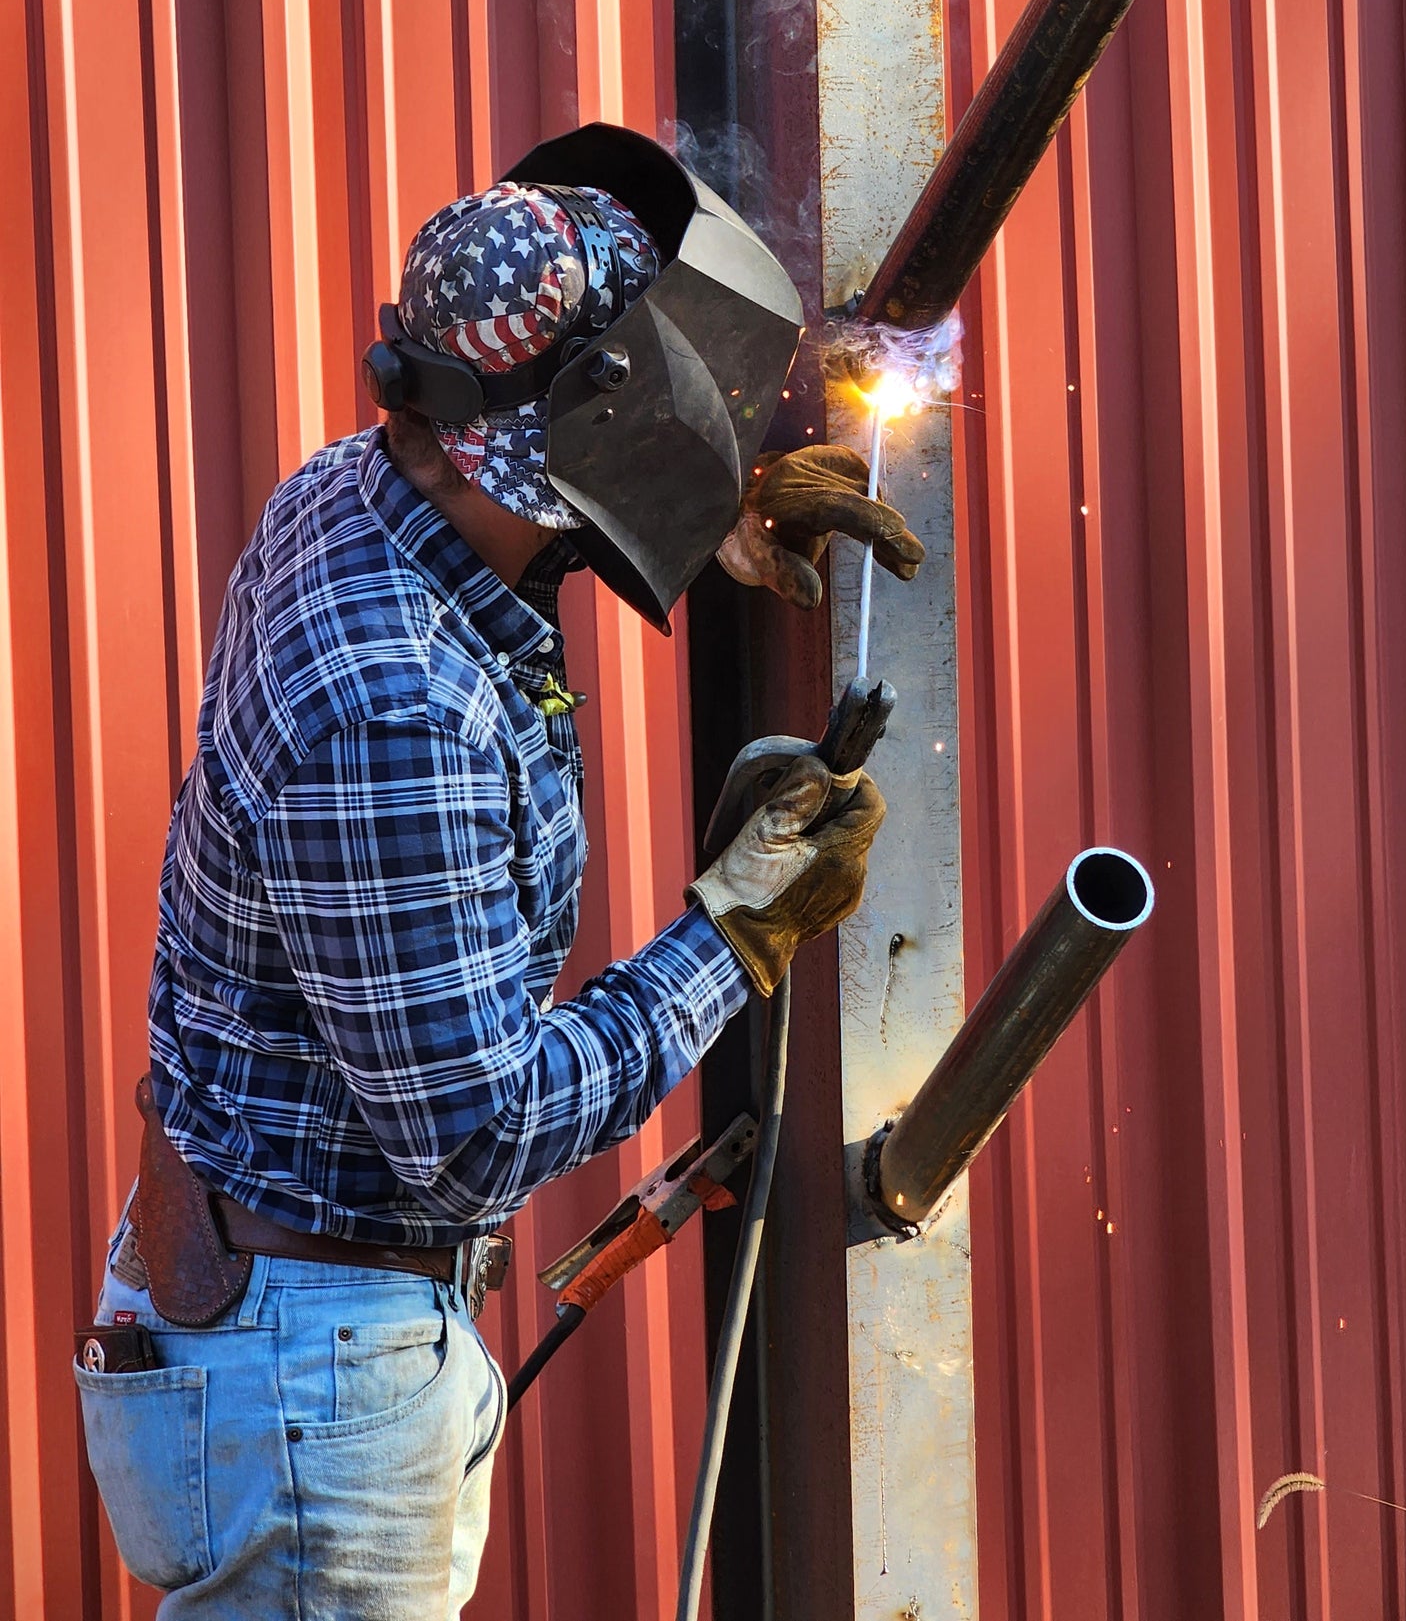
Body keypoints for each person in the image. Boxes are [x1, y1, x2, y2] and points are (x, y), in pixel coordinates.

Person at [75, 124, 923, 1617]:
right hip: (309, 1391)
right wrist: (735, 933)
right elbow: (475, 1138)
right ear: (580, 422)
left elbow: (521, 488)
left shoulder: (358, 487)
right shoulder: (396, 704)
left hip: (276, 1322)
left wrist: (709, 505)